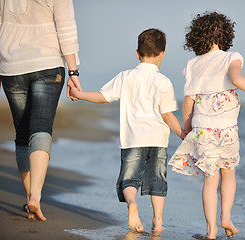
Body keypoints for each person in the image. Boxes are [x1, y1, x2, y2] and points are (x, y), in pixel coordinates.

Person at [168, 12, 245, 239]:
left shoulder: (193, 65)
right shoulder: (231, 57)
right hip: (228, 130)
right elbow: (238, 80)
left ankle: (211, 230)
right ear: (226, 35)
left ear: (196, 37)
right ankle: (226, 216)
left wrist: (188, 129)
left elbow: (188, 101)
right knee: (228, 173)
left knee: (210, 179)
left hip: (202, 130)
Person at [69, 28, 186, 232]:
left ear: (137, 53)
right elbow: (167, 115)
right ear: (163, 54)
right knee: (157, 181)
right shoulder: (164, 82)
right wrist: (183, 134)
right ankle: (158, 222)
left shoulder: (126, 76)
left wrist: (80, 94)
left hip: (132, 139)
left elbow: (103, 96)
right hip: (157, 140)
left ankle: (132, 205)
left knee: (129, 179)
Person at [0, 0, 81, 221]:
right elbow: (66, 27)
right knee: (41, 127)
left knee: (22, 133)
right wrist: (73, 72)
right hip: (47, 63)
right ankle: (35, 195)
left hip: (11, 66)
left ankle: (29, 198)